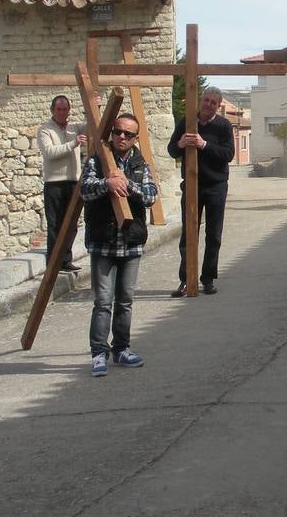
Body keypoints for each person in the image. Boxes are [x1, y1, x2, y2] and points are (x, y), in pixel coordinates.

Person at [81, 112, 158, 377]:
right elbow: (84, 189)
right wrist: (107, 183)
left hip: (130, 242)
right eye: (117, 132)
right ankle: (98, 353)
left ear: (135, 138)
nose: (121, 137)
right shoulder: (98, 159)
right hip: (103, 241)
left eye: (127, 134)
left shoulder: (140, 163)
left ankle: (122, 348)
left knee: (125, 300)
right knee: (103, 300)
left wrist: (128, 186)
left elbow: (150, 196)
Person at [169, 85, 234, 297]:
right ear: (200, 100)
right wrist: (180, 143)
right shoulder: (187, 122)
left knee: (213, 234)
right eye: (206, 100)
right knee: (189, 234)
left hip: (216, 186)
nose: (208, 105)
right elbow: (171, 150)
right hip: (191, 184)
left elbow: (228, 154)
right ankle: (186, 279)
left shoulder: (224, 126)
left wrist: (203, 144)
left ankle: (207, 279)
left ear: (218, 106)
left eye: (213, 103)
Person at [39, 95, 88, 272]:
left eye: (65, 109)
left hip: (73, 182)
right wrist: (73, 143)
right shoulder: (45, 130)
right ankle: (53, 262)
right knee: (55, 224)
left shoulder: (74, 127)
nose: (62, 112)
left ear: (69, 110)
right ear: (52, 110)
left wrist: (94, 107)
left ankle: (66, 260)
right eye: (59, 109)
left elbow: (93, 127)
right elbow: (49, 152)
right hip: (54, 184)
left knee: (72, 224)